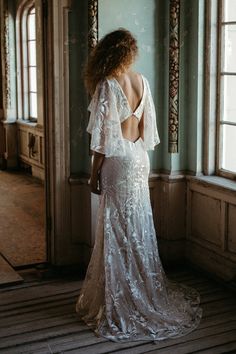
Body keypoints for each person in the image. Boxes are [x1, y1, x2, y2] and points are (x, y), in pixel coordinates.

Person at [75, 28, 202, 343]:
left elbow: (102, 142)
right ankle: (142, 290)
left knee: (115, 226)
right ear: (129, 54)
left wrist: (93, 175)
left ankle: (119, 299)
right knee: (137, 225)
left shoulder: (107, 84)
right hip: (138, 159)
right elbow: (147, 131)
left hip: (118, 161)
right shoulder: (142, 82)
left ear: (107, 53)